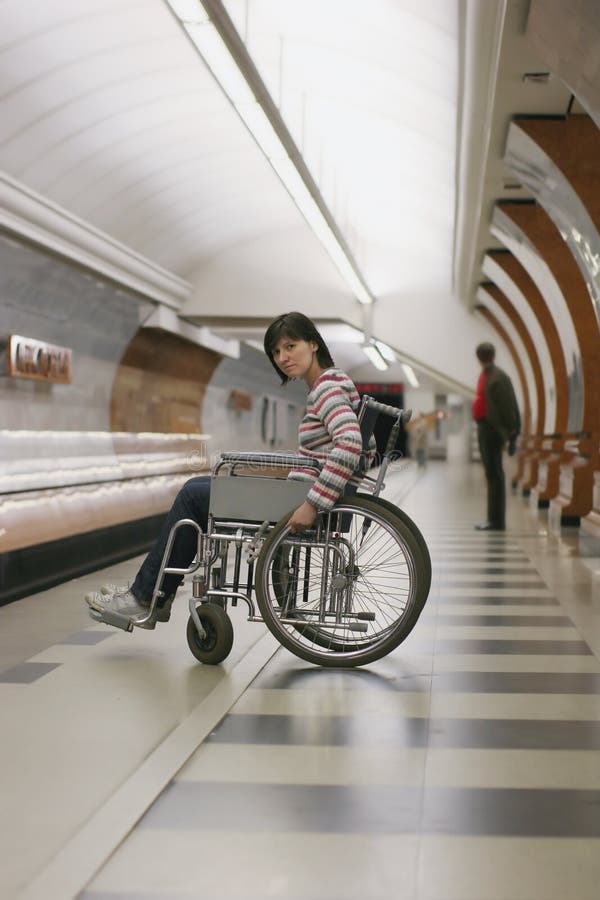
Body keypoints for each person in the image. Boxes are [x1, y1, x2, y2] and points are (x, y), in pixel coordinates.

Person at [85, 312, 370, 629]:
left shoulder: (327, 388)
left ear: (313, 344)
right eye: (276, 352)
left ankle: (146, 596)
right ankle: (154, 594)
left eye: (291, 346)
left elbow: (348, 444)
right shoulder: (330, 385)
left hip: (300, 501)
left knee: (194, 493)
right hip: (299, 493)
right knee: (206, 487)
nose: (283, 357)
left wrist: (312, 504)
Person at [472, 341, 520, 531]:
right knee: (492, 475)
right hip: (486, 428)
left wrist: (512, 432)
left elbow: (508, 407)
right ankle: (494, 519)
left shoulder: (497, 377)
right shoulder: (488, 375)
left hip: (492, 430)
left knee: (495, 476)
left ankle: (496, 521)